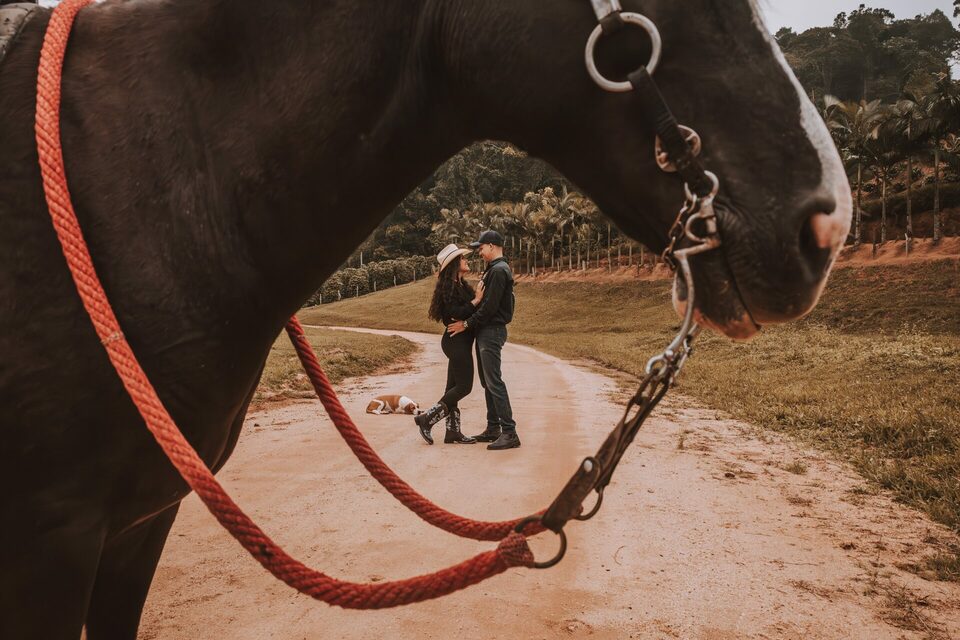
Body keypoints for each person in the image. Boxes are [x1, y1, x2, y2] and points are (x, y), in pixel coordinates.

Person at [447, 229, 519, 450]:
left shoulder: (499, 270)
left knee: (494, 381)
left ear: (492, 246)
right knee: (487, 382)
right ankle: (493, 427)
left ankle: (509, 432)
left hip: (492, 330)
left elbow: (489, 308)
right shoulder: (494, 270)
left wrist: (466, 324)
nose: (479, 252)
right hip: (486, 331)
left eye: (481, 247)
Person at [414, 244, 485, 445]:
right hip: (455, 342)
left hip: (460, 341)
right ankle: (426, 419)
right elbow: (454, 314)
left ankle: (453, 432)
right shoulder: (450, 288)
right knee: (464, 386)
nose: (466, 260)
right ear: (455, 264)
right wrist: (477, 300)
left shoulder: (462, 285)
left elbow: (465, 313)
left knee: (452, 387)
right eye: (462, 259)